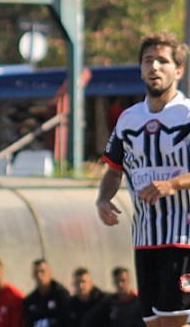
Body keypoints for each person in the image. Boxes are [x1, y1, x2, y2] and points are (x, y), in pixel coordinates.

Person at [95, 31, 190, 327]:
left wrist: (173, 184)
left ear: (178, 70)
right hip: (144, 238)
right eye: (148, 60)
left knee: (177, 322)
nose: (155, 67)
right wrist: (103, 199)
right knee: (153, 323)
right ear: (140, 69)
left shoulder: (187, 114)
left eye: (163, 60)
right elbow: (113, 170)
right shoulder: (128, 119)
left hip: (183, 237)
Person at [81, 267, 145, 327]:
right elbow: (90, 319)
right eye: (117, 281)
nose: (120, 285)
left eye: (123, 280)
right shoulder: (110, 302)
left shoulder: (138, 301)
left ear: (129, 281)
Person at [23, 259, 71, 327]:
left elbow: (68, 320)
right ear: (33, 275)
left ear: (50, 273)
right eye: (36, 272)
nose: (39, 275)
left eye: (42, 271)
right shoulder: (30, 300)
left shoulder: (61, 295)